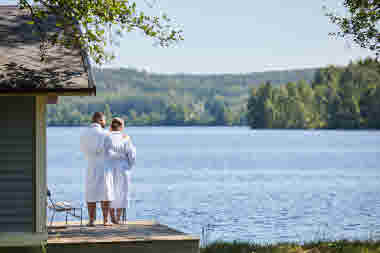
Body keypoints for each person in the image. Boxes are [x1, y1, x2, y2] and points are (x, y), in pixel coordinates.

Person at [80, 112, 114, 226]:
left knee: (91, 193)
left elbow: (83, 150)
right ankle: (105, 220)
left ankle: (91, 220)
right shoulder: (105, 134)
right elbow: (110, 150)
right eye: (104, 120)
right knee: (106, 192)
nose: (105, 122)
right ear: (99, 120)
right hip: (103, 166)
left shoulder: (84, 134)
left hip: (90, 165)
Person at [104, 117, 136, 224]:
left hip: (109, 166)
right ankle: (118, 218)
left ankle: (112, 217)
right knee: (122, 192)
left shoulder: (106, 136)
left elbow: (104, 152)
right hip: (123, 166)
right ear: (121, 126)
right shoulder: (125, 137)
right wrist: (129, 165)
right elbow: (131, 154)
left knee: (110, 191)